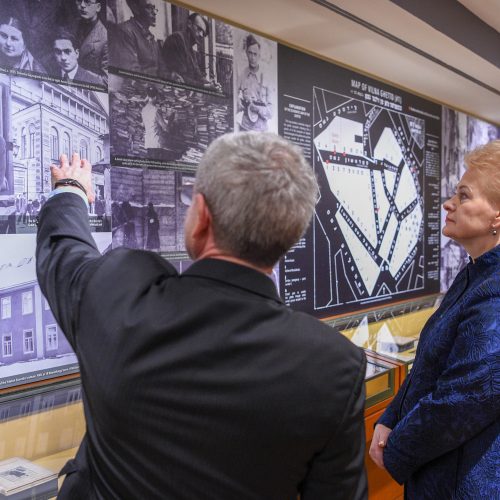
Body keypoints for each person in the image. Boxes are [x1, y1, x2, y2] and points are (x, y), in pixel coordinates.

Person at [36, 132, 367, 499]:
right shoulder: (334, 365)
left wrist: (70, 188)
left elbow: (64, 252)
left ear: (202, 218)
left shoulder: (119, 296)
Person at [370, 139, 500, 498]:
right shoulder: (475, 275)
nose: (449, 203)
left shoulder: (495, 289)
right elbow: (429, 366)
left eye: (464, 195)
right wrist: (390, 418)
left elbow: (463, 398)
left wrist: (395, 450)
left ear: (497, 216)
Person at [162, 12, 220, 90]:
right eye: (199, 29)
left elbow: (198, 75)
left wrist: (209, 83)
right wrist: (205, 87)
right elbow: (181, 78)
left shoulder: (191, 49)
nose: (201, 35)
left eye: (203, 33)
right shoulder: (176, 40)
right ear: (189, 24)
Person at [112, 0, 162, 76]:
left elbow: (161, 67)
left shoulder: (150, 36)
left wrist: (170, 76)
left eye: (154, 8)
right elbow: (131, 71)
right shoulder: (124, 31)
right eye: (149, 8)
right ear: (135, 8)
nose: (155, 12)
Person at [237, 34, 272, 132]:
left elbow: (271, 112)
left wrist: (258, 109)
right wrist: (239, 103)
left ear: (259, 55)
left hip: (261, 131)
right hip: (245, 128)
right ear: (246, 53)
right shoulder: (242, 75)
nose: (252, 57)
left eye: (255, 54)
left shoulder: (267, 77)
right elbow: (235, 98)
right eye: (250, 53)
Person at [74, 0, 108, 86]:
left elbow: (106, 80)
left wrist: (78, 72)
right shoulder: (73, 25)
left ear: (98, 7)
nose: (82, 5)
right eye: (79, 0)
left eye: (87, 2)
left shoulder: (105, 38)